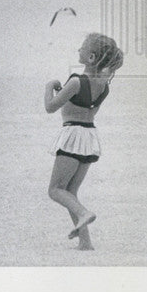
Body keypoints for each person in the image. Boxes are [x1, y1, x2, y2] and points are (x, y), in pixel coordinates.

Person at [44, 32, 124, 249]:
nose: (78, 50)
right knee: (70, 192)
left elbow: (50, 108)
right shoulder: (104, 85)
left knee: (55, 190)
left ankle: (84, 212)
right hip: (89, 137)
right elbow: (87, 108)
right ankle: (85, 243)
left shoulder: (76, 80)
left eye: (82, 48)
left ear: (91, 58)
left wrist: (49, 86)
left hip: (72, 137)